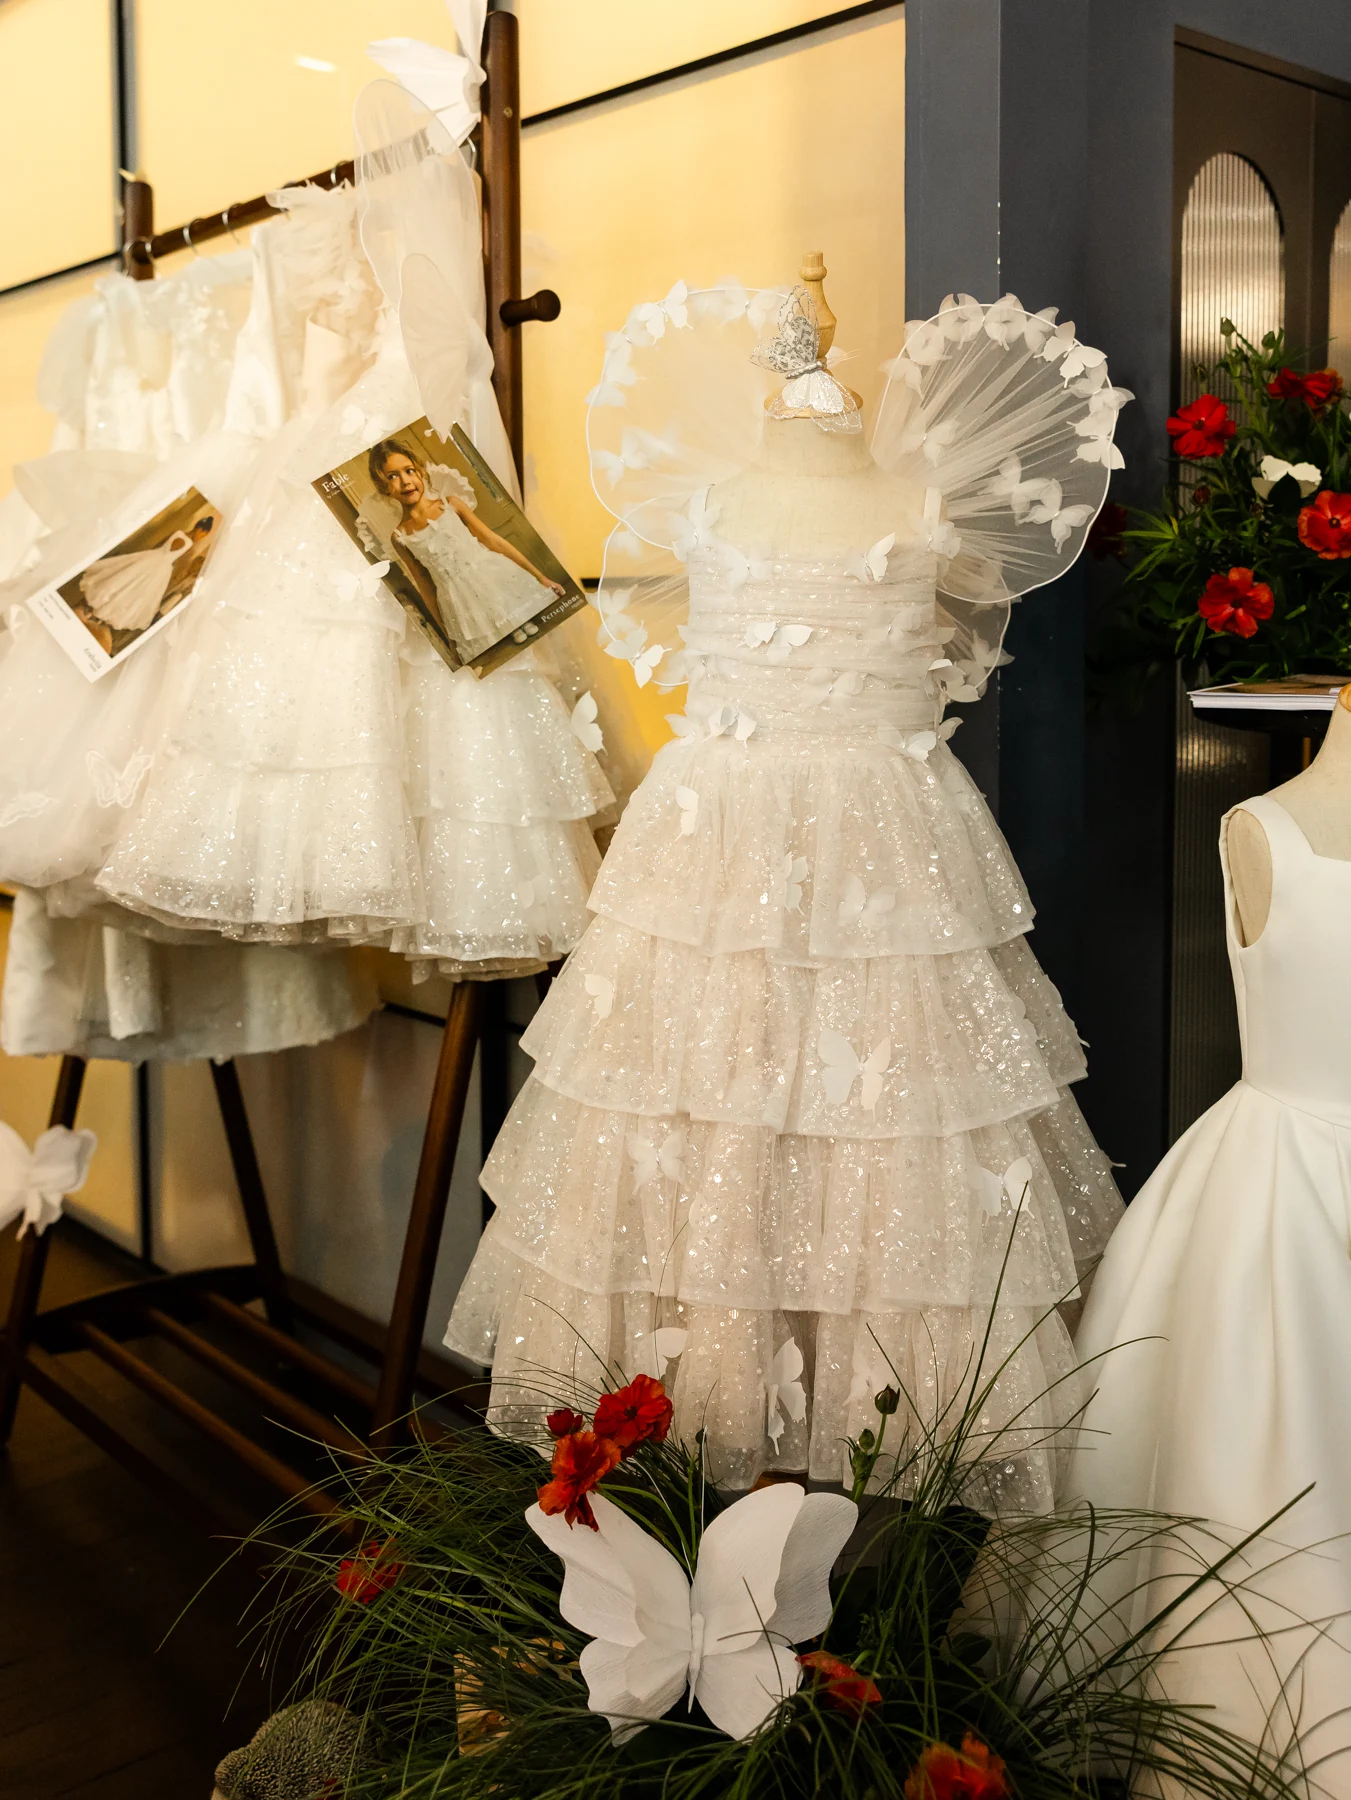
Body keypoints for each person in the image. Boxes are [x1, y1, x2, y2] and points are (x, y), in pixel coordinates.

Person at [368, 440, 563, 662]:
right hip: (463, 605)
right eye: (392, 476)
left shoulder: (450, 504)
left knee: (543, 649)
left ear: (420, 471)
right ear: (383, 487)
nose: (405, 481)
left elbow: (493, 541)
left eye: (409, 471)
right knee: (508, 658)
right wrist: (448, 635)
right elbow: (424, 584)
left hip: (495, 583)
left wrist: (541, 577)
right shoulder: (400, 536)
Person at [75, 511, 216, 638]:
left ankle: (95, 612)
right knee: (133, 590)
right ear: (200, 529)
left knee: (126, 583)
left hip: (152, 557)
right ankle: (98, 613)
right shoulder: (189, 544)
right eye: (203, 534)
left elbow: (161, 545)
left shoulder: (178, 533)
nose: (202, 537)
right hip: (161, 567)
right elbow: (175, 558)